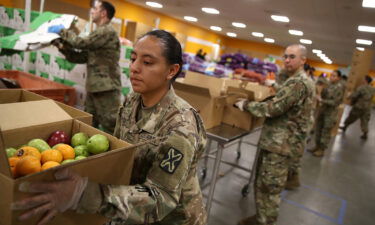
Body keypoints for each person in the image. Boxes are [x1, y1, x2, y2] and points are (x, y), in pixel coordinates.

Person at [12, 30, 207, 225]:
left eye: (147, 63)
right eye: (133, 59)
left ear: (171, 71)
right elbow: (119, 153)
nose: (135, 68)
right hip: (130, 208)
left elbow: (161, 200)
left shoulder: (181, 127)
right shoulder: (133, 100)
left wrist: (86, 194)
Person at [234, 44, 315, 225]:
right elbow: (287, 98)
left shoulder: (298, 82)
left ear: (303, 60)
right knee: (264, 182)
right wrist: (275, 85)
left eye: (292, 57)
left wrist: (246, 105)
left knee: (269, 186)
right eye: (285, 56)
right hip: (279, 142)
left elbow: (274, 108)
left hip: (281, 144)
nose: (287, 60)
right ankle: (261, 217)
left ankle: (265, 221)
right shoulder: (298, 80)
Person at [48, 0, 121, 134]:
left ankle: (117, 153)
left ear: (103, 13)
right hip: (95, 87)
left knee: (111, 126)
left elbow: (80, 43)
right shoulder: (99, 35)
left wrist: (63, 31)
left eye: (95, 9)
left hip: (107, 89)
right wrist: (60, 45)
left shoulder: (107, 31)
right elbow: (79, 57)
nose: (92, 11)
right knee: (89, 125)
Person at [309, 70, 344, 157]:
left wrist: (322, 100)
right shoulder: (329, 85)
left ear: (338, 78)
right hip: (323, 110)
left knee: (326, 131)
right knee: (318, 129)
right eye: (331, 75)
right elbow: (323, 93)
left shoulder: (339, 88)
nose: (331, 77)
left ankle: (322, 149)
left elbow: (336, 102)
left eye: (334, 76)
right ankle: (317, 146)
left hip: (330, 113)